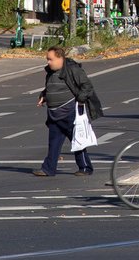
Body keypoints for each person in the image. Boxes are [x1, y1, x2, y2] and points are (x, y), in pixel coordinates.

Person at [35, 45, 103, 177]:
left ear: (60, 58)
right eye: (47, 59)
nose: (48, 62)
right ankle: (48, 169)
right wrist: (43, 96)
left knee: (78, 141)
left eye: (51, 59)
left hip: (70, 112)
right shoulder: (50, 72)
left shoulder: (72, 69)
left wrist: (80, 100)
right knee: (53, 143)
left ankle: (85, 168)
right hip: (54, 114)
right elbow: (50, 88)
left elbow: (87, 87)